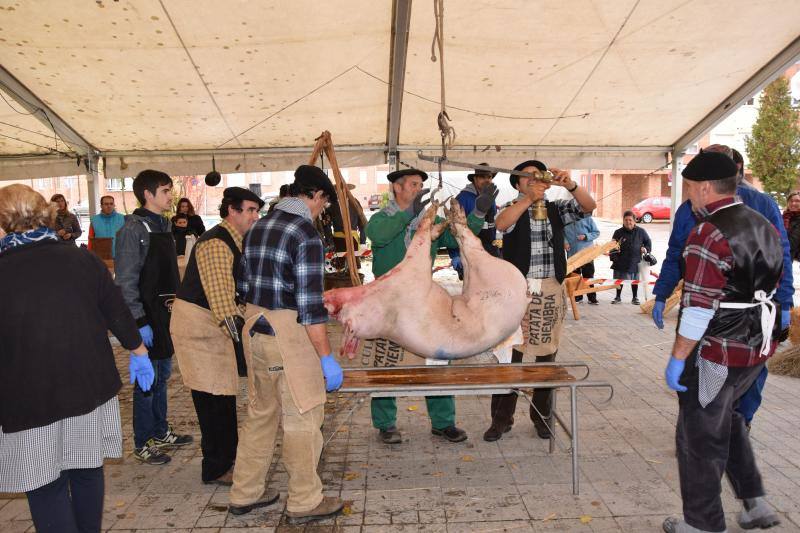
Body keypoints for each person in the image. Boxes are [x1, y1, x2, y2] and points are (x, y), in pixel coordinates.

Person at [0, 184, 153, 533]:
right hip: (88, 385)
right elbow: (116, 309)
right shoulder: (81, 258)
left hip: (29, 396)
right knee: (86, 468)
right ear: (45, 214)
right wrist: (138, 351)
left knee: (44, 480)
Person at [662, 151, 782, 533]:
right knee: (727, 419)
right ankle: (754, 503)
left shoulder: (708, 232)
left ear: (704, 187)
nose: (689, 199)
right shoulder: (764, 222)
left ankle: (703, 524)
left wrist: (678, 357)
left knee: (699, 433)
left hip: (717, 352)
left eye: (689, 191)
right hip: (756, 348)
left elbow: (697, 307)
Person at [230, 165, 344, 523]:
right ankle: (305, 501)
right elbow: (310, 309)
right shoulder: (305, 234)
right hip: (288, 336)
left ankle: (244, 493)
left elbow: (244, 286)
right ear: (316, 196)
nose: (321, 212)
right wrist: (326, 357)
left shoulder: (257, 226)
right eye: (323, 205)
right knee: (303, 417)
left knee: (260, 416)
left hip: (255, 330)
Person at [652, 144, 794, 431]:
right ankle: (715, 429)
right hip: (707, 308)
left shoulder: (761, 204)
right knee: (700, 380)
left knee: (743, 384)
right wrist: (662, 292)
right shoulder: (688, 210)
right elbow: (675, 251)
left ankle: (737, 426)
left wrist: (785, 301)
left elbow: (781, 254)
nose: (689, 191)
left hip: (746, 315)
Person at [366, 167, 494, 445]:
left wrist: (478, 215)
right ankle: (385, 423)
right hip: (389, 301)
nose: (418, 189)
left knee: (438, 357)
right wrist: (408, 213)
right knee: (387, 362)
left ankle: (443, 422)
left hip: (424, 297)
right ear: (397, 188)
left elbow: (458, 237)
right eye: (412, 185)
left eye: (419, 185)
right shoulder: (382, 218)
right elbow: (378, 236)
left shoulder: (430, 218)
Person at [484, 160, 596, 442]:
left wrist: (570, 184)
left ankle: (542, 418)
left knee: (546, 356)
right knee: (511, 355)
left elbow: (588, 206)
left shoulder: (556, 208)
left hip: (549, 289)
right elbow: (501, 224)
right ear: (518, 184)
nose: (535, 181)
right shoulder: (512, 208)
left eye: (539, 176)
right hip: (518, 290)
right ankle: (501, 419)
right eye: (528, 178)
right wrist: (528, 200)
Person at [172, 187, 263, 486]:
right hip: (199, 329)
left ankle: (227, 461)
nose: (255, 216)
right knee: (212, 400)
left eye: (256, 210)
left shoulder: (236, 241)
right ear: (231, 211)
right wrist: (244, 346)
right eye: (249, 210)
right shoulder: (216, 244)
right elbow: (223, 302)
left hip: (213, 327)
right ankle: (216, 468)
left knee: (223, 397)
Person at [115, 170, 192, 465]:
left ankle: (160, 431)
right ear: (147, 194)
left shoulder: (163, 225)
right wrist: (138, 321)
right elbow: (125, 281)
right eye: (164, 190)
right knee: (146, 383)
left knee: (162, 378)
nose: (170, 195)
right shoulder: (133, 230)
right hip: (147, 318)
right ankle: (142, 441)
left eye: (170, 189)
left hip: (166, 314)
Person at [449, 162, 499, 280]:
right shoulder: (463, 198)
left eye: (489, 177)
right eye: (482, 177)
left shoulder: (490, 197)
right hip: (469, 253)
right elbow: (453, 229)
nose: (486, 180)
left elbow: (492, 224)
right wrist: (456, 256)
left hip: (490, 250)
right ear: (475, 179)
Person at [609, 210, 651, 305]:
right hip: (620, 261)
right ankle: (618, 296)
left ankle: (635, 297)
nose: (628, 222)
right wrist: (614, 259)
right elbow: (612, 246)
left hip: (635, 260)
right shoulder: (618, 232)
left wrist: (645, 249)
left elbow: (648, 242)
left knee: (635, 280)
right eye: (626, 220)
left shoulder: (641, 232)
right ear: (623, 221)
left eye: (630, 220)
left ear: (634, 221)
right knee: (618, 280)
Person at [564, 215, 601, 304]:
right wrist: (565, 242)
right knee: (575, 276)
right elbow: (562, 234)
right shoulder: (565, 220)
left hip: (586, 254)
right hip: (573, 254)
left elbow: (596, 232)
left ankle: (591, 297)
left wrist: (586, 236)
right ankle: (577, 297)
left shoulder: (587, 218)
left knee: (588, 276)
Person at [783, 190, 800, 261]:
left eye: (797, 201)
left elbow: (792, 243)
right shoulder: (784, 216)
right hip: (780, 254)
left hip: (788, 255)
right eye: (791, 201)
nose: (793, 203)